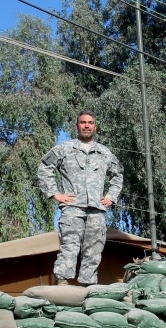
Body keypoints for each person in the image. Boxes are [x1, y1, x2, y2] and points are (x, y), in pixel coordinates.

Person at [38, 110, 123, 286]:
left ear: (95, 126)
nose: (86, 125)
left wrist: (111, 196)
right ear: (77, 126)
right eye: (83, 122)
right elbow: (45, 166)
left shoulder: (104, 152)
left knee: (94, 249)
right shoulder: (65, 148)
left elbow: (118, 175)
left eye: (90, 123)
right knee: (69, 245)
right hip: (72, 208)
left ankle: (88, 285)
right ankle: (63, 282)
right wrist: (54, 193)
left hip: (96, 210)